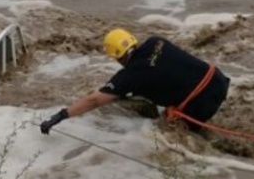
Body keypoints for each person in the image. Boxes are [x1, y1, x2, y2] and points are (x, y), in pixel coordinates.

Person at [39, 29, 230, 135]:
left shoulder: (130, 76)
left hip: (200, 104)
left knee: (167, 138)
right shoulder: (156, 41)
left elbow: (94, 100)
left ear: (117, 57)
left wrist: (61, 116)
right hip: (218, 80)